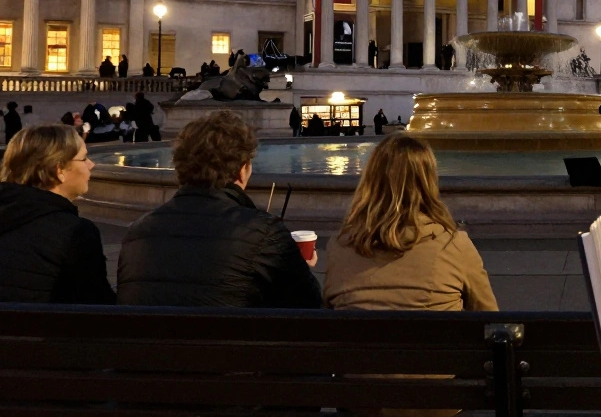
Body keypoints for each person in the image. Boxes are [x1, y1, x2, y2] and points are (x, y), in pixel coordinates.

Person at [116, 110, 322, 307]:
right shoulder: (263, 233)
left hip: (147, 343)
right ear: (243, 170)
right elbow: (308, 308)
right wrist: (300, 266)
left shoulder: (138, 233)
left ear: (180, 169)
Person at [324, 133, 497, 312]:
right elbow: (491, 320)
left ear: (370, 180)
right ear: (428, 182)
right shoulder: (454, 246)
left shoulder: (339, 246)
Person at [0, 125, 115, 304]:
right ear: (59, 169)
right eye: (84, 158)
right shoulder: (75, 233)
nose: (91, 164)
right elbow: (98, 309)